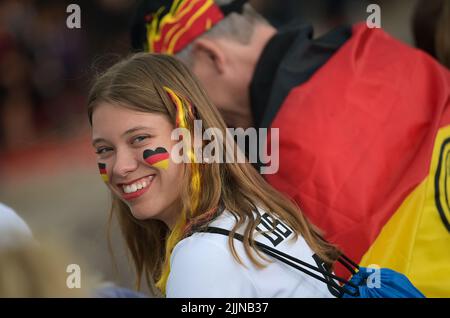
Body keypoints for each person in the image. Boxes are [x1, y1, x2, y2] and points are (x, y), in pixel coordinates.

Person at [130, 0, 450, 296]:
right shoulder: (386, 49)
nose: (188, 120)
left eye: (181, 99)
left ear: (212, 56)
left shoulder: (280, 164)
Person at [87, 52, 350, 297]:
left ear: (196, 136)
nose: (120, 167)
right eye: (105, 149)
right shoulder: (252, 208)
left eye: (139, 138)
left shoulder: (201, 258)